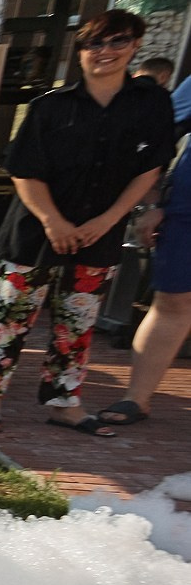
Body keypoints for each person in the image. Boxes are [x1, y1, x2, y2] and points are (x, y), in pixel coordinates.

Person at [0, 10, 176, 435]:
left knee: (77, 326)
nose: (106, 52)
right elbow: (24, 170)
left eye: (117, 42)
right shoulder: (50, 106)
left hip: (100, 234)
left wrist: (109, 219)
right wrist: (52, 221)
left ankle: (65, 404)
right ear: (79, 50)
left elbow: (150, 167)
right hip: (34, 234)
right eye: (94, 44)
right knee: (10, 319)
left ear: (135, 45)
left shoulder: (150, 103)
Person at [99, 71, 191, 427]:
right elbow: (161, 138)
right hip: (184, 210)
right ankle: (136, 398)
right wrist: (152, 201)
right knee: (172, 302)